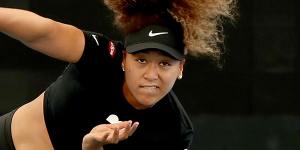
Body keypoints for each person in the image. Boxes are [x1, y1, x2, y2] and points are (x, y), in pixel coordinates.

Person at [0, 0, 236, 149]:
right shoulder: (102, 56)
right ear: (124, 59)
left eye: (164, 64)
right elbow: (45, 32)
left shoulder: (175, 131)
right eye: (141, 60)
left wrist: (91, 147)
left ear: (181, 68)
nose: (151, 74)